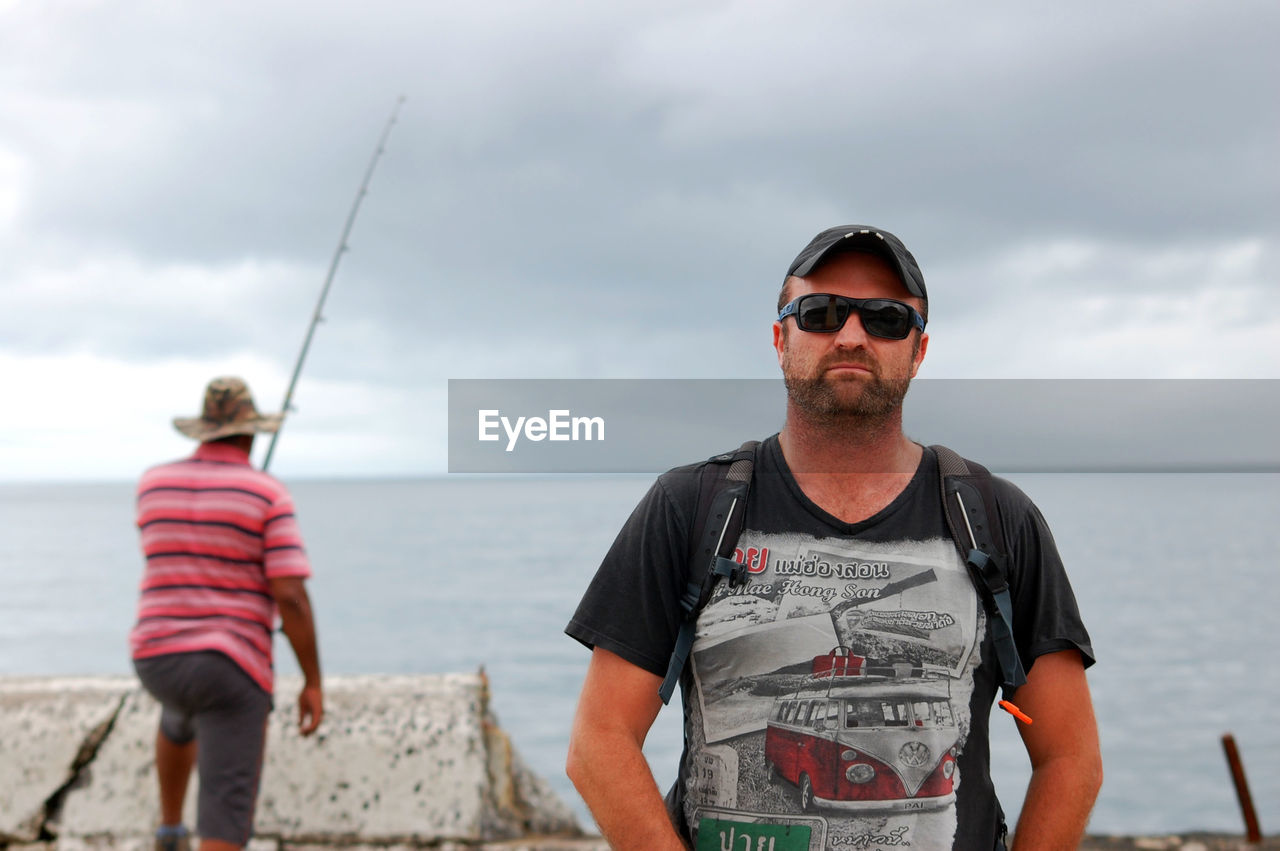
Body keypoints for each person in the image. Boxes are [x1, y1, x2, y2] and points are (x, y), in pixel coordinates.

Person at [565, 226, 1102, 850]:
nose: (852, 335)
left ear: (919, 350)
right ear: (779, 338)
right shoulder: (691, 509)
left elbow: (1069, 757)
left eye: (887, 319)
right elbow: (599, 743)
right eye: (820, 314)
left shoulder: (996, 518)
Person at [130, 376, 323, 851]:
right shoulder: (266, 494)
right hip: (228, 660)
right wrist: (312, 680)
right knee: (224, 806)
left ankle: (170, 830)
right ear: (251, 433)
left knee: (180, 712)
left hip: (154, 657)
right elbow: (289, 593)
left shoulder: (152, 484)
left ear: (202, 431)